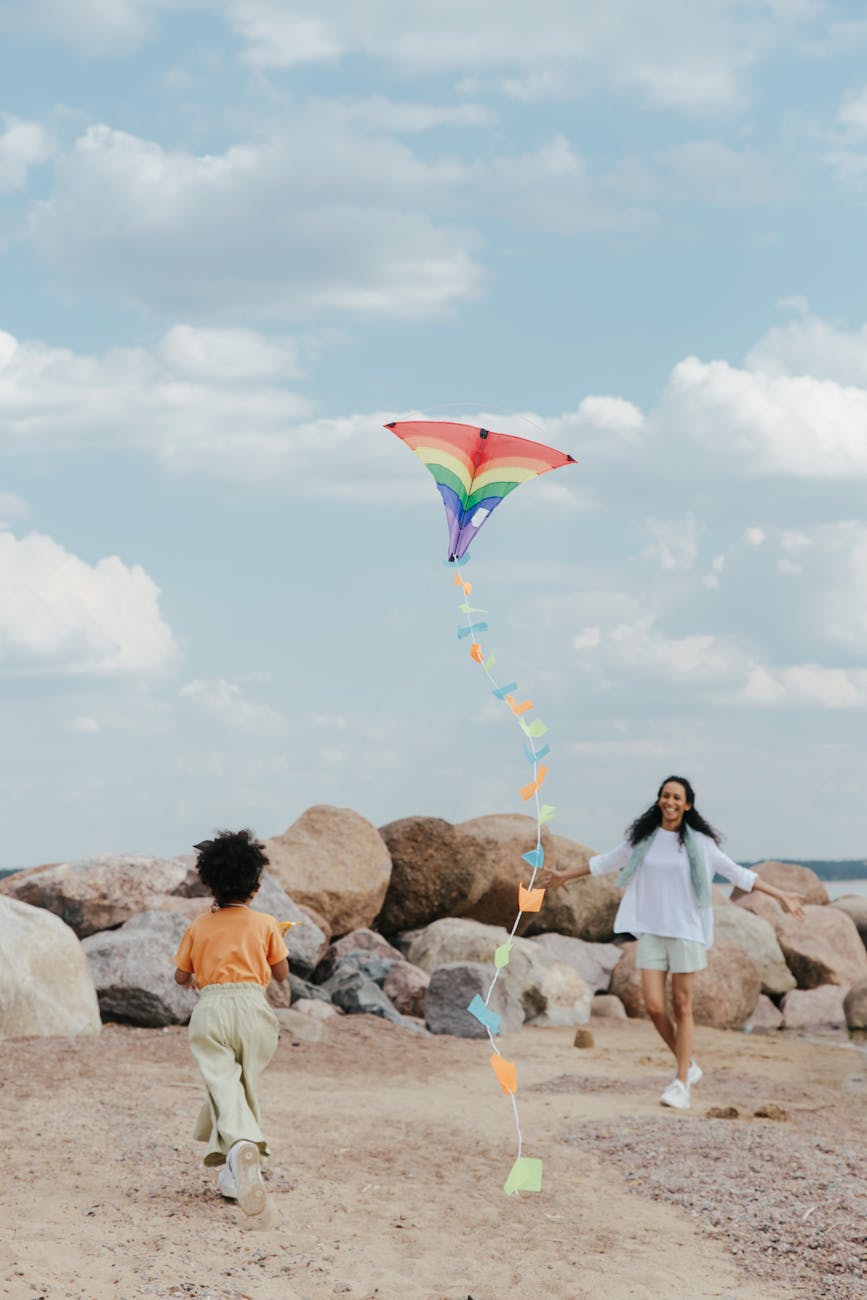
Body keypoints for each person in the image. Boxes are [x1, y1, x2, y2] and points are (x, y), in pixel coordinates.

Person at [537, 776, 805, 1110]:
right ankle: (688, 1063)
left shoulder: (702, 844)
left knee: (682, 1005)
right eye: (665, 796)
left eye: (677, 797)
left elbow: (740, 875)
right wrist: (563, 875)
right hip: (652, 931)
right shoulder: (644, 840)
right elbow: (606, 861)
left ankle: (681, 1083)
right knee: (653, 1006)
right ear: (659, 800)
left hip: (687, 932)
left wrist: (781, 896)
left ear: (687, 804)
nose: (670, 802)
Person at [173, 829, 289, 1214]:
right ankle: (233, 1173)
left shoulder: (199, 926)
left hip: (212, 1009)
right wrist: (277, 939)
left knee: (224, 1085)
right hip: (254, 1011)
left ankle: (240, 1148)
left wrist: (195, 976)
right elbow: (283, 973)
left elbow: (180, 977)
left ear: (210, 885)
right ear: (255, 886)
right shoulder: (266, 923)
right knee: (242, 1086)